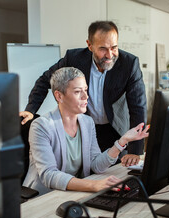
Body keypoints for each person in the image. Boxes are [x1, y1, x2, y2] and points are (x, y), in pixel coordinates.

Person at [19, 21, 147, 166]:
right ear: (90, 45)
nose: (110, 54)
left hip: (115, 130)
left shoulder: (129, 64)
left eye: (114, 47)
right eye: (103, 49)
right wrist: (30, 110)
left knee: (116, 174)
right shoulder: (74, 58)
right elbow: (44, 81)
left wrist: (135, 150)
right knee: (87, 170)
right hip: (85, 129)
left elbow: (138, 107)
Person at [22, 67, 149, 195]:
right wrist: (94, 185)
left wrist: (123, 141)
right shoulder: (41, 126)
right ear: (59, 96)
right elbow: (49, 175)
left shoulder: (87, 122)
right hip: (43, 197)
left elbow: (96, 165)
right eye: (78, 92)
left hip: (74, 193)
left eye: (86, 90)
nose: (85, 96)